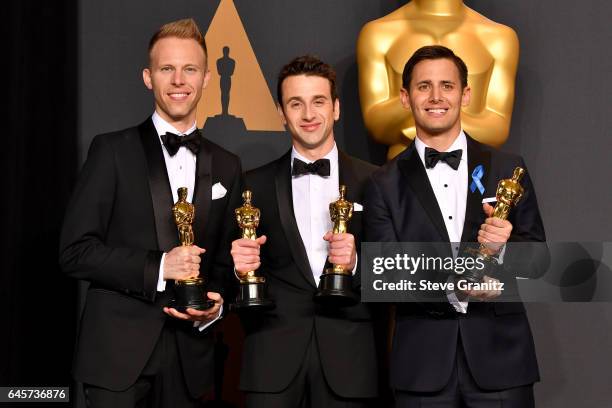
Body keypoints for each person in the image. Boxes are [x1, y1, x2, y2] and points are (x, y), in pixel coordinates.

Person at [59, 18, 242, 408]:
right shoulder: (111, 151)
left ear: (207, 78)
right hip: (115, 360)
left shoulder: (228, 165)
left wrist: (217, 305)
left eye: (189, 69)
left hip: (190, 361)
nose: (179, 80)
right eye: (167, 69)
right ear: (148, 77)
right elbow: (74, 252)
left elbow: (225, 265)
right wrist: (160, 267)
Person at [363, 45, 546, 408]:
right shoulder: (381, 183)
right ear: (405, 97)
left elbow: (539, 260)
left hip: (502, 361)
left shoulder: (508, 167)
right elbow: (383, 275)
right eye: (423, 86)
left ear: (465, 94)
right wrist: (456, 287)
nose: (436, 97)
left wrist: (505, 249)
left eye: (447, 85)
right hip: (422, 365)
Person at [229, 55, 378, 407]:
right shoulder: (252, 185)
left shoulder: (377, 181)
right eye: (296, 103)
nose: (308, 114)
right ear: (281, 112)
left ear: (337, 108)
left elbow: (395, 267)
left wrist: (357, 262)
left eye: (318, 102)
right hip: (271, 359)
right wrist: (240, 269)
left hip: (349, 360)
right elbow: (227, 270)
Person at [357, 0, 519, 159]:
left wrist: (427, 125)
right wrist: (442, 119)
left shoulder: (499, 38)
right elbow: (377, 126)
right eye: (423, 86)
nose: (436, 97)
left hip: (475, 176)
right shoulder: (378, 34)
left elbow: (497, 129)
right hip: (402, 175)